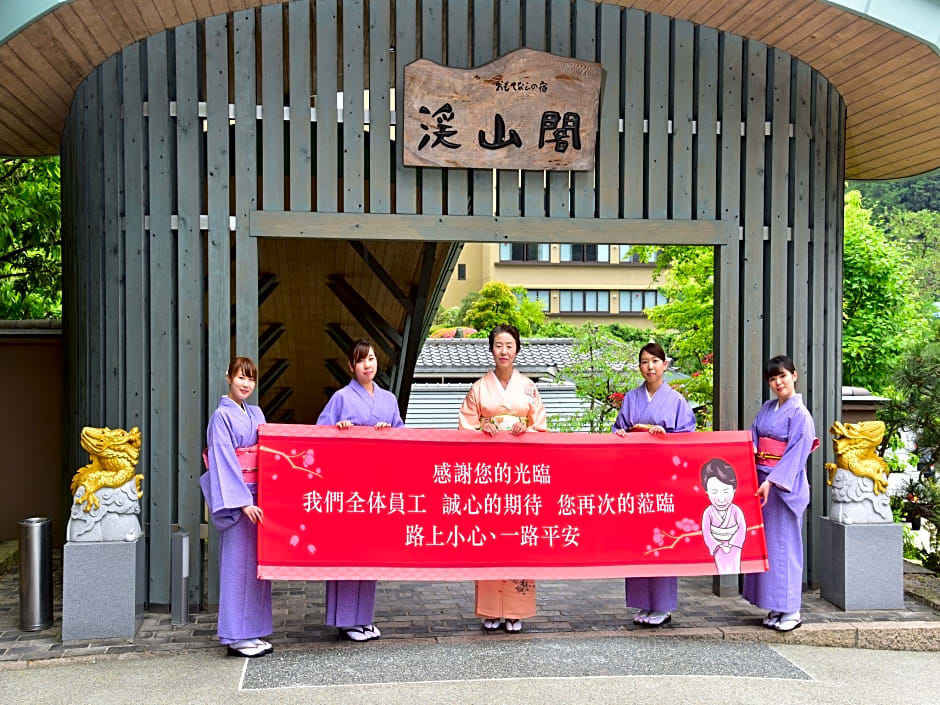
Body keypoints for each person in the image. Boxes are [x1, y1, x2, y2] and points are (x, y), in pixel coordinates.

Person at [458, 323, 548, 632]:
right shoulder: (479, 387)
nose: (504, 351)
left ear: (517, 349)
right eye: (498, 345)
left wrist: (528, 430)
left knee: (519, 536)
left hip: (521, 473)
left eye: (509, 345)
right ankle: (490, 609)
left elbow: (541, 428)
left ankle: (515, 610)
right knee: (489, 536)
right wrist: (482, 429)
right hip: (489, 472)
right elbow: (465, 426)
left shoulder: (528, 388)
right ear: (491, 349)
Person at [316, 339, 404, 642]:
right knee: (346, 550)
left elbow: (402, 438)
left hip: (376, 484)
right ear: (351, 367)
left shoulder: (389, 400)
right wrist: (338, 431)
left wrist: (388, 433)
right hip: (347, 484)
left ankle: (364, 617)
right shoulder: (341, 398)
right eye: (361, 360)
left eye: (372, 358)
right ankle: (346, 620)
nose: (368, 365)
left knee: (369, 551)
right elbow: (320, 435)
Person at [612, 342, 696, 626]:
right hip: (635, 476)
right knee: (639, 538)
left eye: (655, 361)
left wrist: (666, 435)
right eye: (645, 362)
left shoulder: (676, 401)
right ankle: (642, 603)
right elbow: (618, 427)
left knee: (661, 539)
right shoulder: (631, 399)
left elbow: (686, 436)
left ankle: (661, 605)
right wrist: (621, 434)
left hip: (663, 478)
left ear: (665, 365)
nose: (650, 367)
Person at [200, 357, 272, 658]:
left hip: (261, 496)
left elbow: (269, 451)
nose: (246, 384)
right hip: (240, 498)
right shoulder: (221, 416)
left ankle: (252, 631)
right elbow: (223, 460)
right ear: (228, 377)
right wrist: (242, 503)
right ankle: (234, 635)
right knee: (236, 566)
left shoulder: (256, 413)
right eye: (241, 377)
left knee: (257, 567)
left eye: (251, 379)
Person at [743, 354, 819, 632]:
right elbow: (753, 436)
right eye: (773, 378)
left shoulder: (801, 415)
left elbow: (797, 453)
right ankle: (776, 605)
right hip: (760, 482)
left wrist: (773, 481)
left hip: (781, 486)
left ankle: (792, 609)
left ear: (794, 376)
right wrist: (749, 452)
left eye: (783, 376)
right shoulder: (766, 408)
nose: (778, 382)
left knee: (785, 546)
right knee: (768, 547)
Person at [700, 458, 746, 575]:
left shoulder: (736, 511)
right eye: (714, 492)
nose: (721, 499)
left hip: (735, 547)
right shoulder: (708, 513)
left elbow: (742, 529)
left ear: (734, 490)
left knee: (735, 567)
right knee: (720, 568)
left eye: (726, 491)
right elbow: (706, 532)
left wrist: (732, 545)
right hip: (718, 547)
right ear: (706, 491)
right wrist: (718, 546)